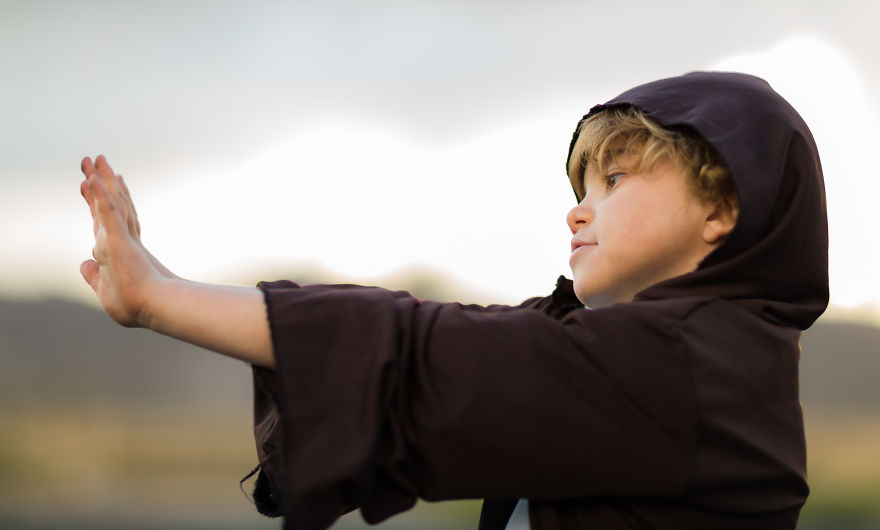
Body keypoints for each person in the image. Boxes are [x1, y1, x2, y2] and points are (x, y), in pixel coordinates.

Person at [79, 71, 828, 530]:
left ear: (722, 207)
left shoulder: (689, 369)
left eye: (616, 180)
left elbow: (432, 352)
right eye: (580, 187)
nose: (578, 210)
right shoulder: (672, 356)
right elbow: (469, 340)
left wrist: (159, 299)